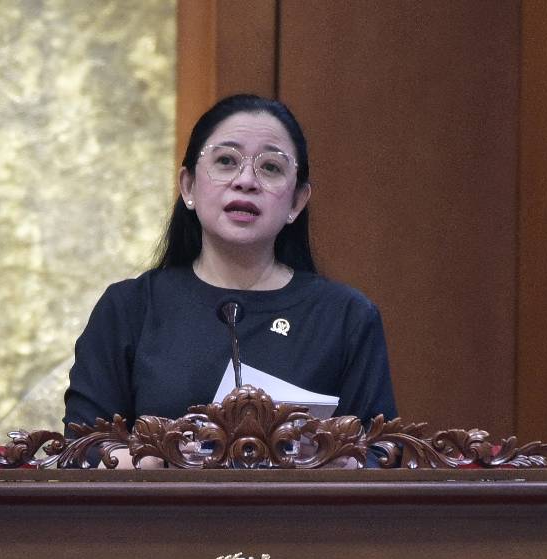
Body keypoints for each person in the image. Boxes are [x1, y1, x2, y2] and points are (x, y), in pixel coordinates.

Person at [62, 94, 397, 441]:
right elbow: (83, 447)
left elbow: (382, 452)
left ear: (297, 202)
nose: (246, 181)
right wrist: (160, 460)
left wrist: (330, 459)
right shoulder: (129, 309)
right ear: (188, 186)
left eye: (271, 167)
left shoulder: (345, 317)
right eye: (226, 161)